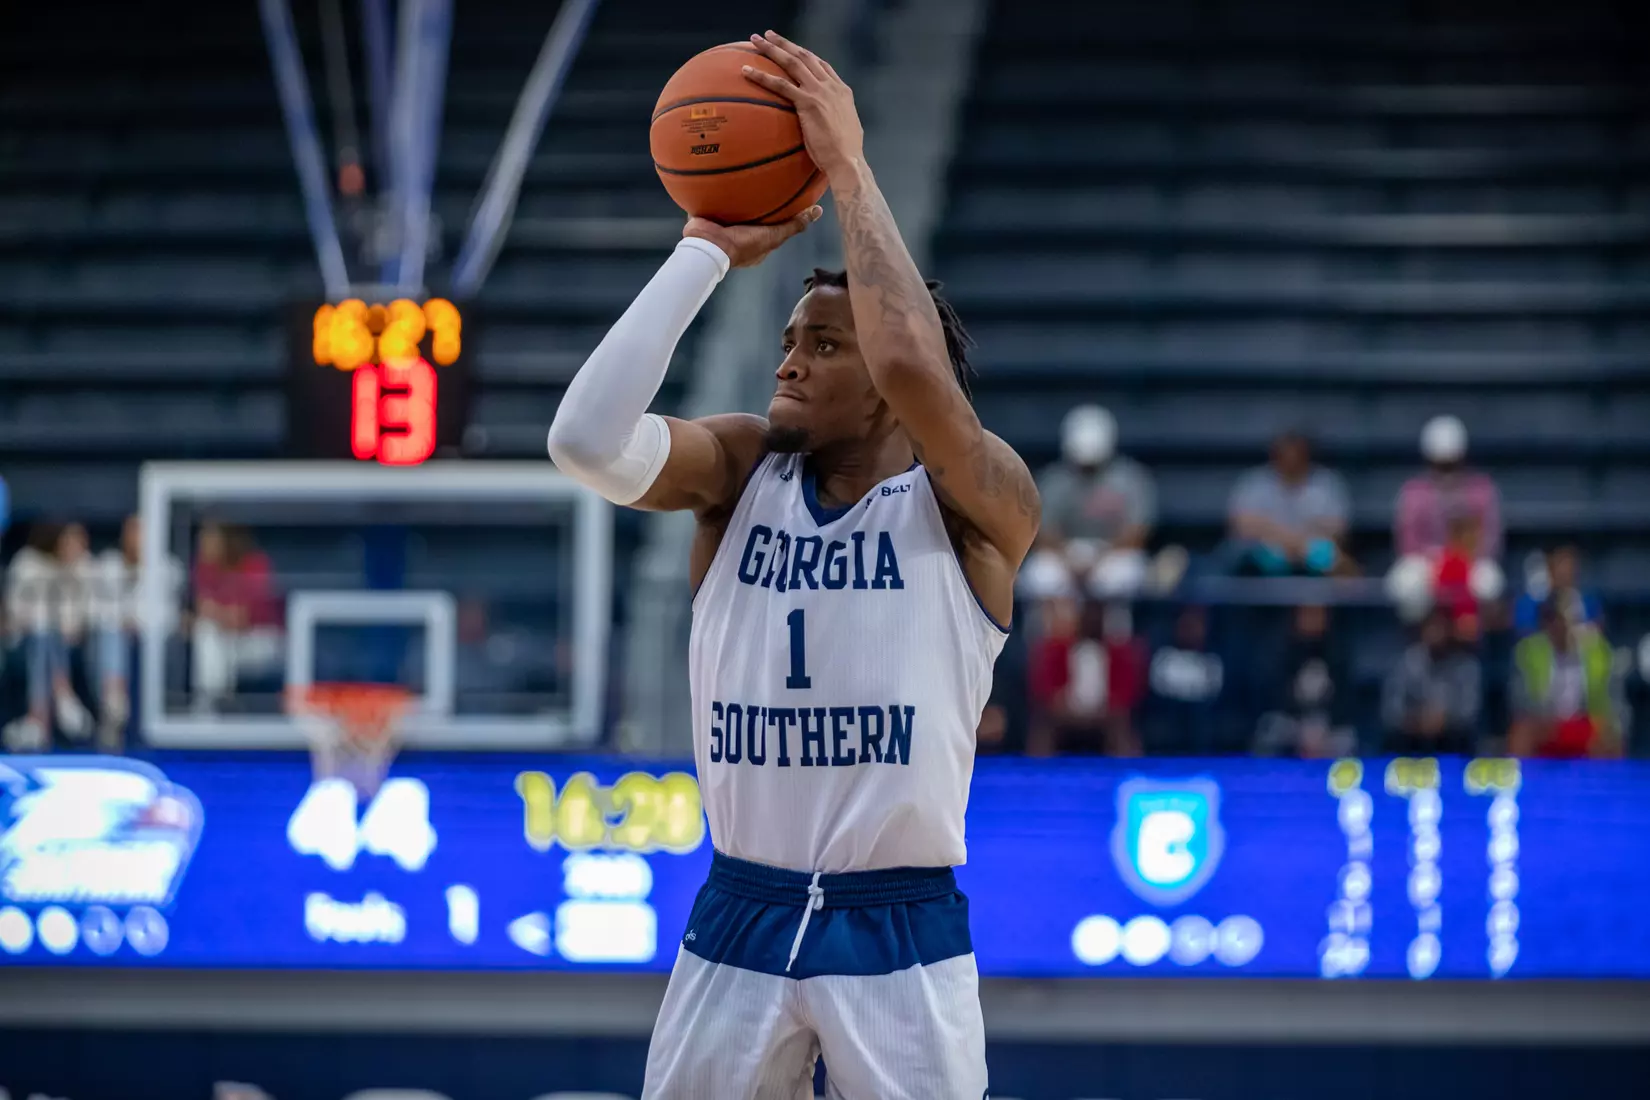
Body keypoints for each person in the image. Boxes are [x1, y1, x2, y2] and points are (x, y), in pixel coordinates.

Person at [546, 31, 1038, 1099]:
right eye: (789, 339)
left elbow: (911, 356)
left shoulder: (978, 505)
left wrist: (850, 168)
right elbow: (583, 440)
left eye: (823, 343)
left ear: (893, 390)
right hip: (740, 905)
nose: (787, 358)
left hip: (898, 918)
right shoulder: (738, 471)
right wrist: (704, 250)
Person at [1027, 404, 1157, 598]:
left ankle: (1117, 629)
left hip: (1113, 553)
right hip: (1066, 551)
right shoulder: (1054, 480)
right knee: (1041, 575)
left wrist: (1100, 559)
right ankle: (1048, 628)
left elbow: (1137, 532)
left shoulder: (1130, 480)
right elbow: (1043, 532)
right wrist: (1068, 560)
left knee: (1120, 576)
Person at [3, 523, 94, 750]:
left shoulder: (82, 569)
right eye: (69, 542)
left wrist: (74, 572)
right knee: (43, 633)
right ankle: (63, 693)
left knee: (47, 635)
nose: (74, 548)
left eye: (80, 544)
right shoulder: (28, 563)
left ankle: (38, 720)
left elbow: (78, 620)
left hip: (63, 644)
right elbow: (16, 609)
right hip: (21, 640)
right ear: (56, 541)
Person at [1224, 430, 1353, 576]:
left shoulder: (1326, 483)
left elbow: (1336, 529)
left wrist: (1295, 544)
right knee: (1251, 556)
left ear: (1306, 455)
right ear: (1274, 455)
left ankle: (1318, 598)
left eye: (1296, 453)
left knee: (1335, 559)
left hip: (1311, 550)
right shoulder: (1254, 482)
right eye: (1285, 454)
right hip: (1266, 550)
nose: (1291, 459)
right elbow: (1244, 526)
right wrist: (1294, 542)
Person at [1508, 601, 1620, 758]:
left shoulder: (1598, 651)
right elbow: (1520, 699)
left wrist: (1603, 722)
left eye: (1571, 622)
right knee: (1521, 733)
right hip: (1546, 722)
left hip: (1584, 722)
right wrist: (1541, 717)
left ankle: (1604, 780)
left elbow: (1610, 700)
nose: (1564, 628)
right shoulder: (1529, 651)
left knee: (1609, 736)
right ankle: (1528, 780)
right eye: (1557, 621)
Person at [191, 521, 282, 713]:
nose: (203, 545)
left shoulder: (254, 565)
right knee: (206, 633)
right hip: (226, 643)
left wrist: (214, 612)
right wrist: (216, 614)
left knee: (208, 634)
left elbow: (240, 619)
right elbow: (196, 613)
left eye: (210, 539)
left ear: (226, 541)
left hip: (262, 641)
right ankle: (215, 706)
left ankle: (210, 707)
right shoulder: (204, 569)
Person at [1252, 604, 1357, 758]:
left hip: (1328, 728)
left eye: (1317, 614)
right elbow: (1274, 697)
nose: (1312, 620)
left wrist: (1322, 729)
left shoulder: (1337, 653)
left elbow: (1346, 700)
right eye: (1307, 614)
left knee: (1348, 739)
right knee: (1269, 730)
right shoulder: (1282, 651)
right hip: (1291, 724)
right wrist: (1301, 731)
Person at [1395, 415, 1503, 561]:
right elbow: (1407, 543)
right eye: (1441, 466)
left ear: (1462, 458)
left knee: (1488, 577)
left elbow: (1490, 539)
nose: (1446, 473)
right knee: (1406, 577)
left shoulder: (1482, 490)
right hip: (1425, 563)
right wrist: (1435, 556)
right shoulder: (1414, 493)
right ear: (1429, 461)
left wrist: (1463, 554)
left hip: (1471, 561)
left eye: (1451, 465)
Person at [1381, 606, 1483, 756]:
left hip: (1453, 737)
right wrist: (1416, 720)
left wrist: (1445, 719)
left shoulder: (1466, 665)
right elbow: (1391, 709)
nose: (1436, 634)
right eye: (1431, 628)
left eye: (1441, 629)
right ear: (1422, 631)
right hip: (1411, 736)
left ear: (1450, 631)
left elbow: (1470, 710)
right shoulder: (1407, 662)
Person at [1513, 544, 1601, 636]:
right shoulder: (1529, 604)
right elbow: (1525, 633)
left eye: (1571, 566)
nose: (1567, 572)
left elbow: (1597, 631)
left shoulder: (1588, 602)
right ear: (1551, 568)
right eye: (1562, 565)